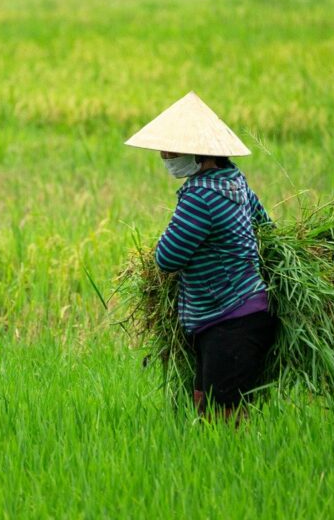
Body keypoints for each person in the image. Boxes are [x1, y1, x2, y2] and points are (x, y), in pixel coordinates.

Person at [124, 92, 277, 421]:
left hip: (229, 319)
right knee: (206, 406)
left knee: (222, 417)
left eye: (173, 149)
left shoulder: (201, 195)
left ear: (202, 153)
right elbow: (267, 227)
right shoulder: (235, 181)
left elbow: (167, 258)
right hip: (239, 315)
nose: (165, 156)